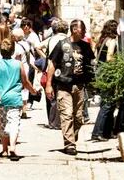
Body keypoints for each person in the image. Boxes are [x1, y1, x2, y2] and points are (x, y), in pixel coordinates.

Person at [45, 19, 95, 155]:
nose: (84, 32)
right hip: (63, 85)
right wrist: (49, 85)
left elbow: (91, 63)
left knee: (79, 118)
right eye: (82, 29)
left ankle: (72, 136)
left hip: (79, 86)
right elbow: (52, 64)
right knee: (66, 115)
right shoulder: (62, 44)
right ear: (74, 30)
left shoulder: (85, 46)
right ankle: (69, 144)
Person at [0, 39, 37, 160]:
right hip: (14, 98)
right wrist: (33, 91)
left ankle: (4, 150)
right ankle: (13, 148)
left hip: (1, 98)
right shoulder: (18, 64)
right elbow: (25, 81)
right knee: (14, 122)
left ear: (0, 50)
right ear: (13, 50)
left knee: (3, 123)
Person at [91, 19, 124, 141]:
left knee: (107, 104)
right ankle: (97, 132)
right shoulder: (111, 41)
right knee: (107, 104)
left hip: (100, 73)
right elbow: (110, 57)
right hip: (107, 74)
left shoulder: (101, 40)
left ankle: (106, 132)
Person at [36, 18, 69, 130]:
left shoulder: (51, 39)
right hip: (65, 69)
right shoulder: (68, 40)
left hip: (51, 68)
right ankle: (61, 120)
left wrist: (45, 57)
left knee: (51, 97)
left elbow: (38, 47)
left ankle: (52, 121)